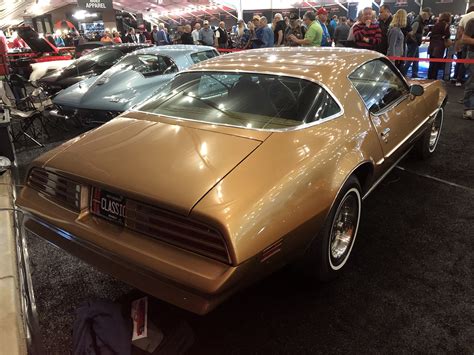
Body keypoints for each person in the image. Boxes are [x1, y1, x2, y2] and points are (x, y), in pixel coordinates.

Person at [404, 7, 432, 78]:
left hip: (415, 43)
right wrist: (416, 41)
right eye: (428, 15)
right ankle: (403, 74)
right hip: (413, 43)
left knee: (416, 60)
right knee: (409, 60)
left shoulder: (420, 21)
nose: (429, 16)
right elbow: (411, 33)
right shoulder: (417, 21)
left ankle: (414, 74)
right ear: (425, 14)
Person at [427, 12, 452, 80]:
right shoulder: (446, 25)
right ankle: (434, 79)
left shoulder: (436, 24)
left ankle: (429, 78)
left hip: (432, 45)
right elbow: (447, 35)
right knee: (436, 65)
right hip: (439, 46)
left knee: (431, 64)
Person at [454, 6, 474, 86]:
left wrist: (458, 43)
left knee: (462, 61)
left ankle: (458, 79)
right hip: (470, 44)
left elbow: (459, 32)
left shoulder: (464, 17)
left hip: (466, 43)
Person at [462, 18, 474, 119]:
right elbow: (464, 38)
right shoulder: (472, 22)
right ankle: (468, 109)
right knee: (472, 83)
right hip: (472, 55)